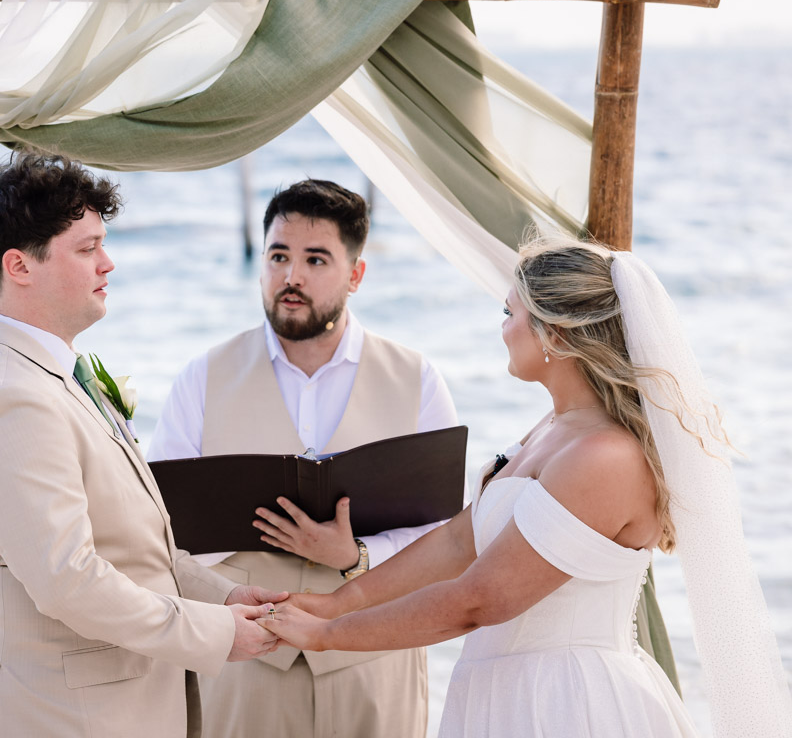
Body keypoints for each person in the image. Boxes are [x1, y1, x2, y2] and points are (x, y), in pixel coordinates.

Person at [261, 234, 792, 736]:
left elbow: (480, 600)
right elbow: (456, 543)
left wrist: (329, 638)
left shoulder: (604, 456)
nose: (503, 327)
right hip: (508, 689)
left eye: (510, 313)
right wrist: (336, 603)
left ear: (554, 334)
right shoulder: (553, 429)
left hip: (568, 702)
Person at [0, 152, 287, 738]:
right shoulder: (11, 400)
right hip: (61, 716)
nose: (108, 263)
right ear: (20, 266)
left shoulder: (55, 375)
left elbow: (130, 545)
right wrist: (216, 634)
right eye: (86, 248)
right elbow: (69, 580)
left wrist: (223, 596)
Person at [149, 179, 461, 737]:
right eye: (278, 256)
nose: (291, 277)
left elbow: (447, 536)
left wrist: (356, 554)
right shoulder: (202, 378)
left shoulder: (417, 380)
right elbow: (161, 531)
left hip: (373, 659)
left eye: (315, 259)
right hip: (244, 662)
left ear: (356, 275)